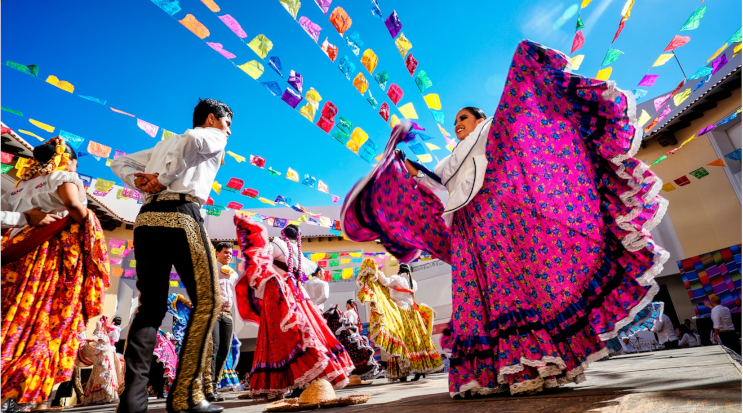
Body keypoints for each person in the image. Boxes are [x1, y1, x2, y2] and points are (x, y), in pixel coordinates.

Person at [341, 40, 669, 397]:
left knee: (513, 288)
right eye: (454, 123)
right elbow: (433, 182)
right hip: (467, 227)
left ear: (480, 118)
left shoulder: (493, 130)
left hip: (498, 220)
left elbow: (518, 133)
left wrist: (525, 72)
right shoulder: (452, 157)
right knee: (478, 295)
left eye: (463, 118)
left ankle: (538, 361)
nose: (457, 126)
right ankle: (497, 371)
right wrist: (405, 169)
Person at [111, 98, 233, 413]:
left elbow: (119, 163)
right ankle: (186, 396)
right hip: (182, 215)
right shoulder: (210, 136)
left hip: (147, 219)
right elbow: (195, 139)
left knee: (149, 307)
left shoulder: (165, 143)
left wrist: (142, 182)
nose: (229, 131)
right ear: (212, 118)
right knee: (209, 302)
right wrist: (163, 180)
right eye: (227, 123)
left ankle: (132, 403)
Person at [1, 137, 110, 408]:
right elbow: (73, 207)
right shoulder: (63, 176)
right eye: (75, 161)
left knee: (12, 318)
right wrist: (92, 228)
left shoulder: (18, 186)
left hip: (16, 254)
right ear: (67, 159)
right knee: (50, 321)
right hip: (52, 258)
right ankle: (32, 394)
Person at [231, 214, 354, 399]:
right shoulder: (299, 253)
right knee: (305, 335)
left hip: (282, 296)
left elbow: (260, 261)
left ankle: (294, 381)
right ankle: (305, 380)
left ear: (283, 233)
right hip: (299, 295)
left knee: (283, 338)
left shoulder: (277, 245)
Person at [356, 260, 443, 383]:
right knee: (416, 340)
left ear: (399, 270)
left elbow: (385, 281)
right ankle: (420, 369)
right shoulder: (414, 283)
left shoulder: (397, 279)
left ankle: (403, 372)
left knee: (401, 339)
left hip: (400, 312)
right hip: (413, 313)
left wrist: (376, 270)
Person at [202, 242, 239, 403]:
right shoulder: (210, 269)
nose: (228, 255)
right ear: (217, 253)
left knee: (224, 350)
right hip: (213, 313)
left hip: (228, 315)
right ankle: (208, 388)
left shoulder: (234, 274)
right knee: (213, 348)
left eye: (230, 253)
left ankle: (215, 386)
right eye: (225, 252)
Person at [322, 302, 384, 380]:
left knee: (357, 355)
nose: (345, 306)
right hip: (350, 336)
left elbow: (348, 324)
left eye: (346, 304)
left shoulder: (350, 312)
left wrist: (341, 328)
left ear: (348, 305)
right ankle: (360, 374)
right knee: (358, 355)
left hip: (350, 337)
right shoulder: (350, 313)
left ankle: (362, 373)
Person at [79, 316, 126, 405]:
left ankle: (106, 394)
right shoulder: (107, 328)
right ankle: (105, 395)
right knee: (105, 372)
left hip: (107, 352)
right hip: (104, 353)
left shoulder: (114, 329)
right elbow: (101, 338)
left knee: (108, 372)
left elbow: (111, 338)